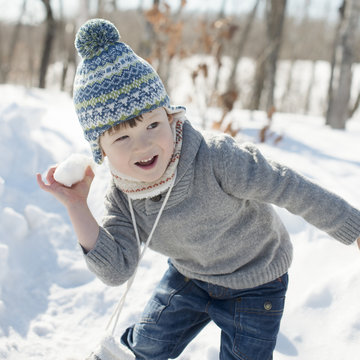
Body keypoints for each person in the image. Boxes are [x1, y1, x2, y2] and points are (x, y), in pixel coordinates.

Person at [37, 19, 360, 360]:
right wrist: (76, 205)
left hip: (257, 281)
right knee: (147, 347)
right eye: (122, 137)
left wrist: (354, 227)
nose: (143, 145)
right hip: (190, 276)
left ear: (171, 116)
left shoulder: (217, 159)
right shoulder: (123, 196)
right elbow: (117, 269)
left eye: (152, 124)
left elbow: (289, 187)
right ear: (100, 149)